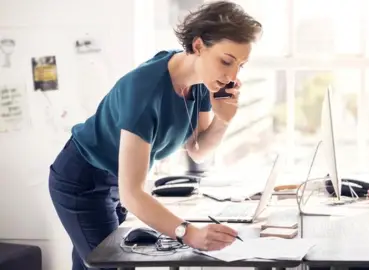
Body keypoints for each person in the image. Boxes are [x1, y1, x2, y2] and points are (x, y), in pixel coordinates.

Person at [48, 1, 262, 269]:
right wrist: (190, 233)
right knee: (111, 263)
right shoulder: (145, 91)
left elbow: (196, 149)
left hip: (117, 181)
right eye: (226, 61)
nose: (232, 75)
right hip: (83, 180)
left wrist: (222, 119)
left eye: (240, 65)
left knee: (91, 261)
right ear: (198, 46)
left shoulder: (200, 82)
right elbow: (132, 193)